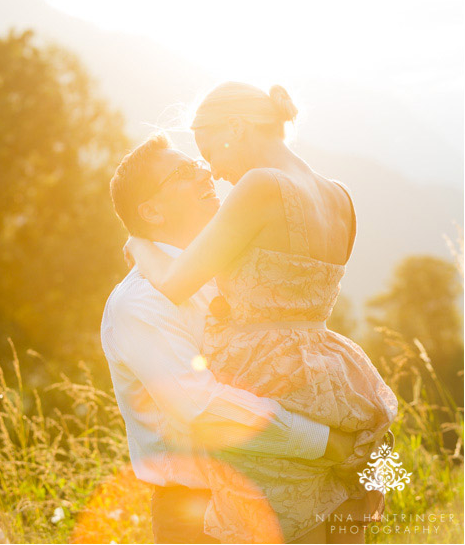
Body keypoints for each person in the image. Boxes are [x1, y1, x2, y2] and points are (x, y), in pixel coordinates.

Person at [123, 84, 396, 543]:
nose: (211, 168)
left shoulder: (261, 185)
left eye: (209, 150)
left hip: (269, 377)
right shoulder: (341, 197)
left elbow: (174, 283)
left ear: (236, 127)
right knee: (332, 518)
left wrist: (139, 245)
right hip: (332, 377)